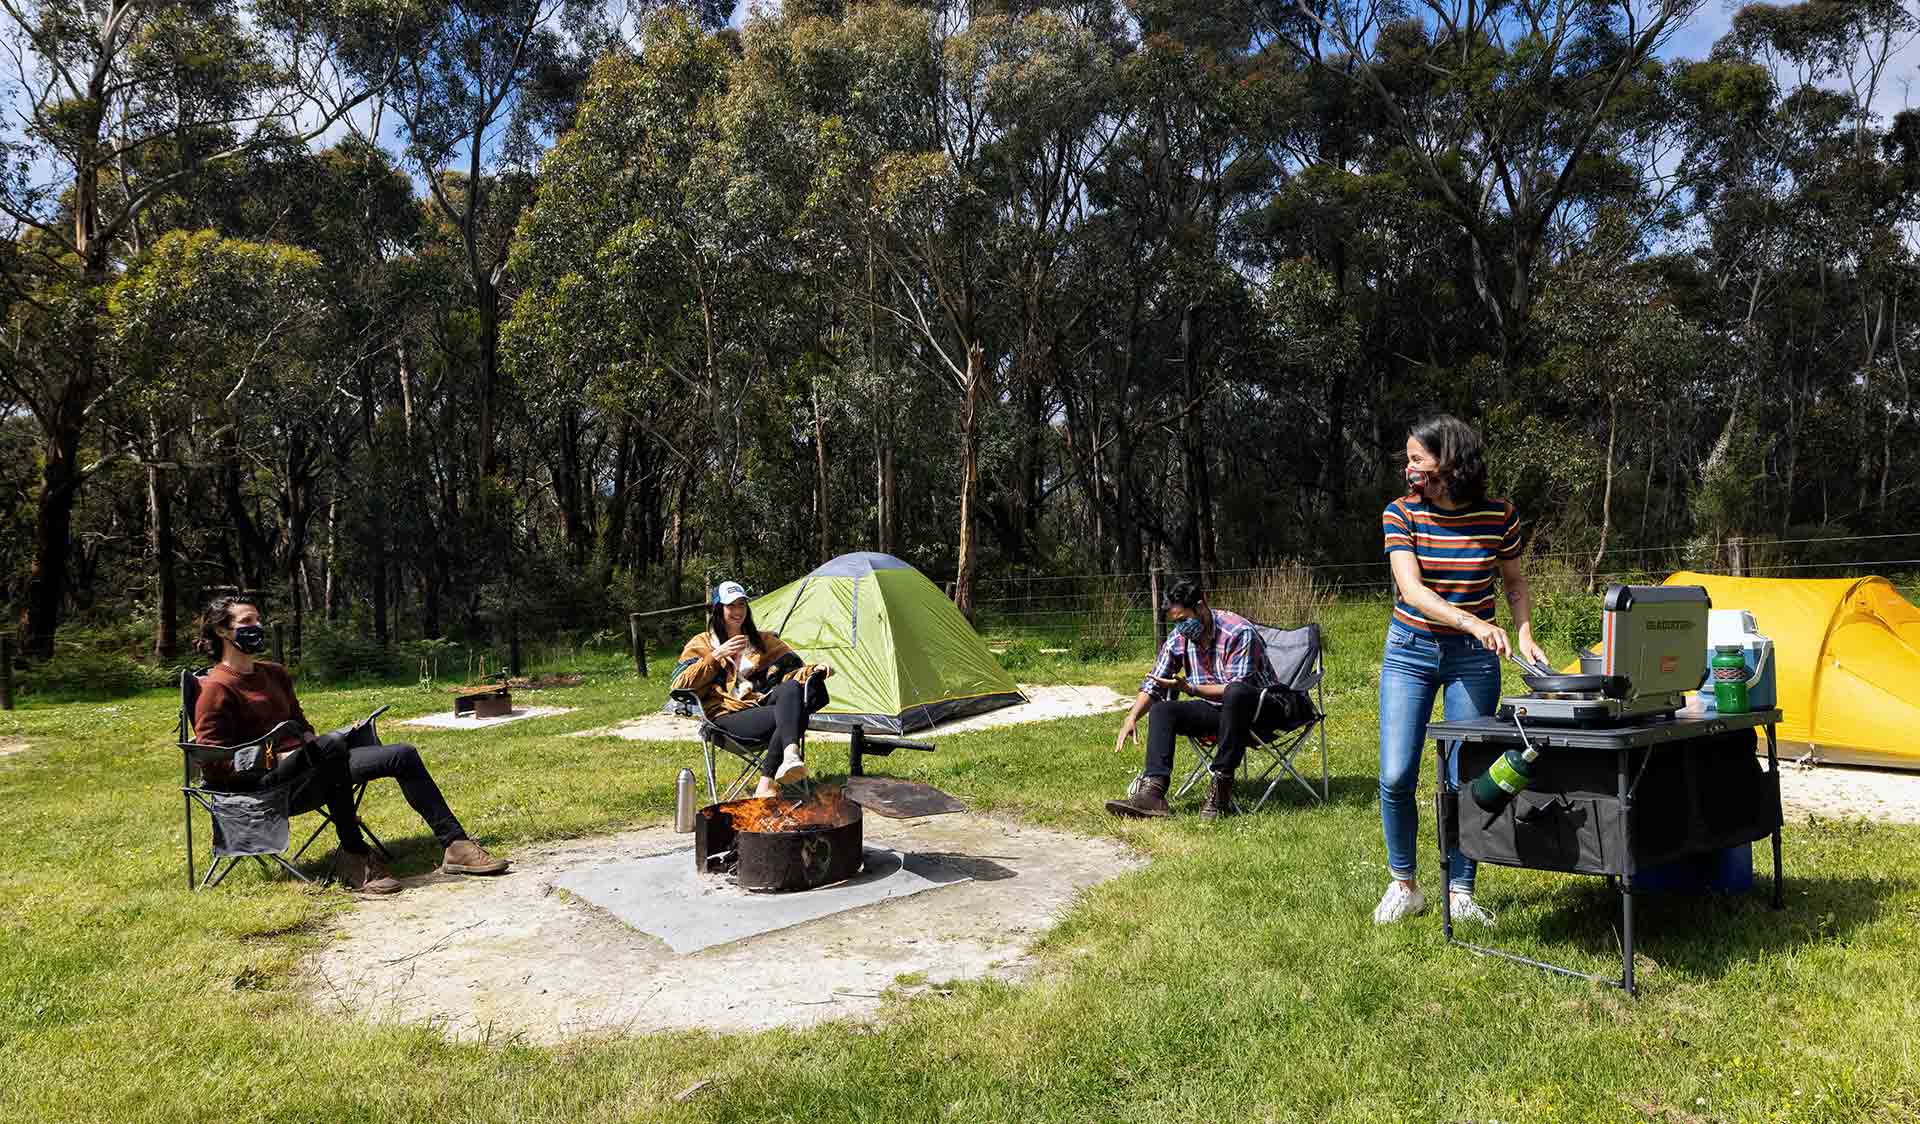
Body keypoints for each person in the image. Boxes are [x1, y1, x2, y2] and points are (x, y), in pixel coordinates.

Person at [191, 594, 510, 895]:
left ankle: (455, 845)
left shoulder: (274, 674)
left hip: (314, 768)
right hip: (268, 786)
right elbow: (216, 765)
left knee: (402, 754)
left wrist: (312, 743)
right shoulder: (215, 689)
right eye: (247, 621)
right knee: (330, 748)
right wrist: (279, 756)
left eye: (258, 619)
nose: (257, 627)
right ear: (222, 630)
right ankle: (353, 853)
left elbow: (302, 725)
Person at [1372, 413, 1549, 926]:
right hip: (1411, 650)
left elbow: (1514, 581)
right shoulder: (1401, 513)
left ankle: (1460, 890)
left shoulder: (1500, 516)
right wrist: (1473, 623)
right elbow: (1413, 591)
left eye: (1417, 460)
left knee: (1462, 774)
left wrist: (1523, 632)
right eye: (1407, 460)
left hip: (1475, 661)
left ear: (1450, 462)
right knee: (1396, 773)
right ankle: (1404, 885)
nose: (1408, 469)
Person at [1104, 579, 1308, 820]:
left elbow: (1237, 687)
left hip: (1263, 710)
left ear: (1201, 607)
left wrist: (1191, 688)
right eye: (1175, 623)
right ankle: (1153, 794)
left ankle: (1221, 789)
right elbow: (1154, 682)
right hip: (1221, 713)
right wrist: (1132, 717)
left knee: (1235, 693)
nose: (1180, 628)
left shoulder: (1238, 632)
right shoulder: (1179, 639)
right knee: (1163, 710)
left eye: (1183, 620)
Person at [672, 581, 835, 798]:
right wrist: (716, 656)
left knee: (793, 689)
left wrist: (816, 670)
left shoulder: (763, 641)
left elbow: (794, 672)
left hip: (760, 704)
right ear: (718, 610)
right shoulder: (701, 643)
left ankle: (788, 758)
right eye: (731, 606)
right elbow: (680, 684)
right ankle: (769, 779)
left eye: (742, 605)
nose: (738, 611)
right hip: (724, 717)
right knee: (794, 713)